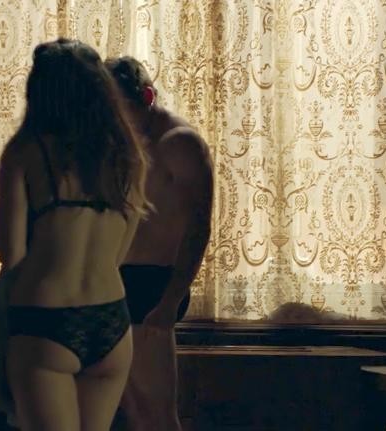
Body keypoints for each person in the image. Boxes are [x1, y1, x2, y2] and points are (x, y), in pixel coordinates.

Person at [0, 39, 151, 431]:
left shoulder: (25, 152)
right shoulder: (125, 154)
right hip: (111, 321)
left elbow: (11, 253)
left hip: (45, 320)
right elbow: (119, 254)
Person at [104, 56, 214, 431]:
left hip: (152, 286)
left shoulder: (180, 143)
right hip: (117, 284)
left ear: (147, 97)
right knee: (133, 413)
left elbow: (198, 228)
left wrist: (169, 301)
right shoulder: (124, 145)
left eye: (122, 110)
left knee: (158, 415)